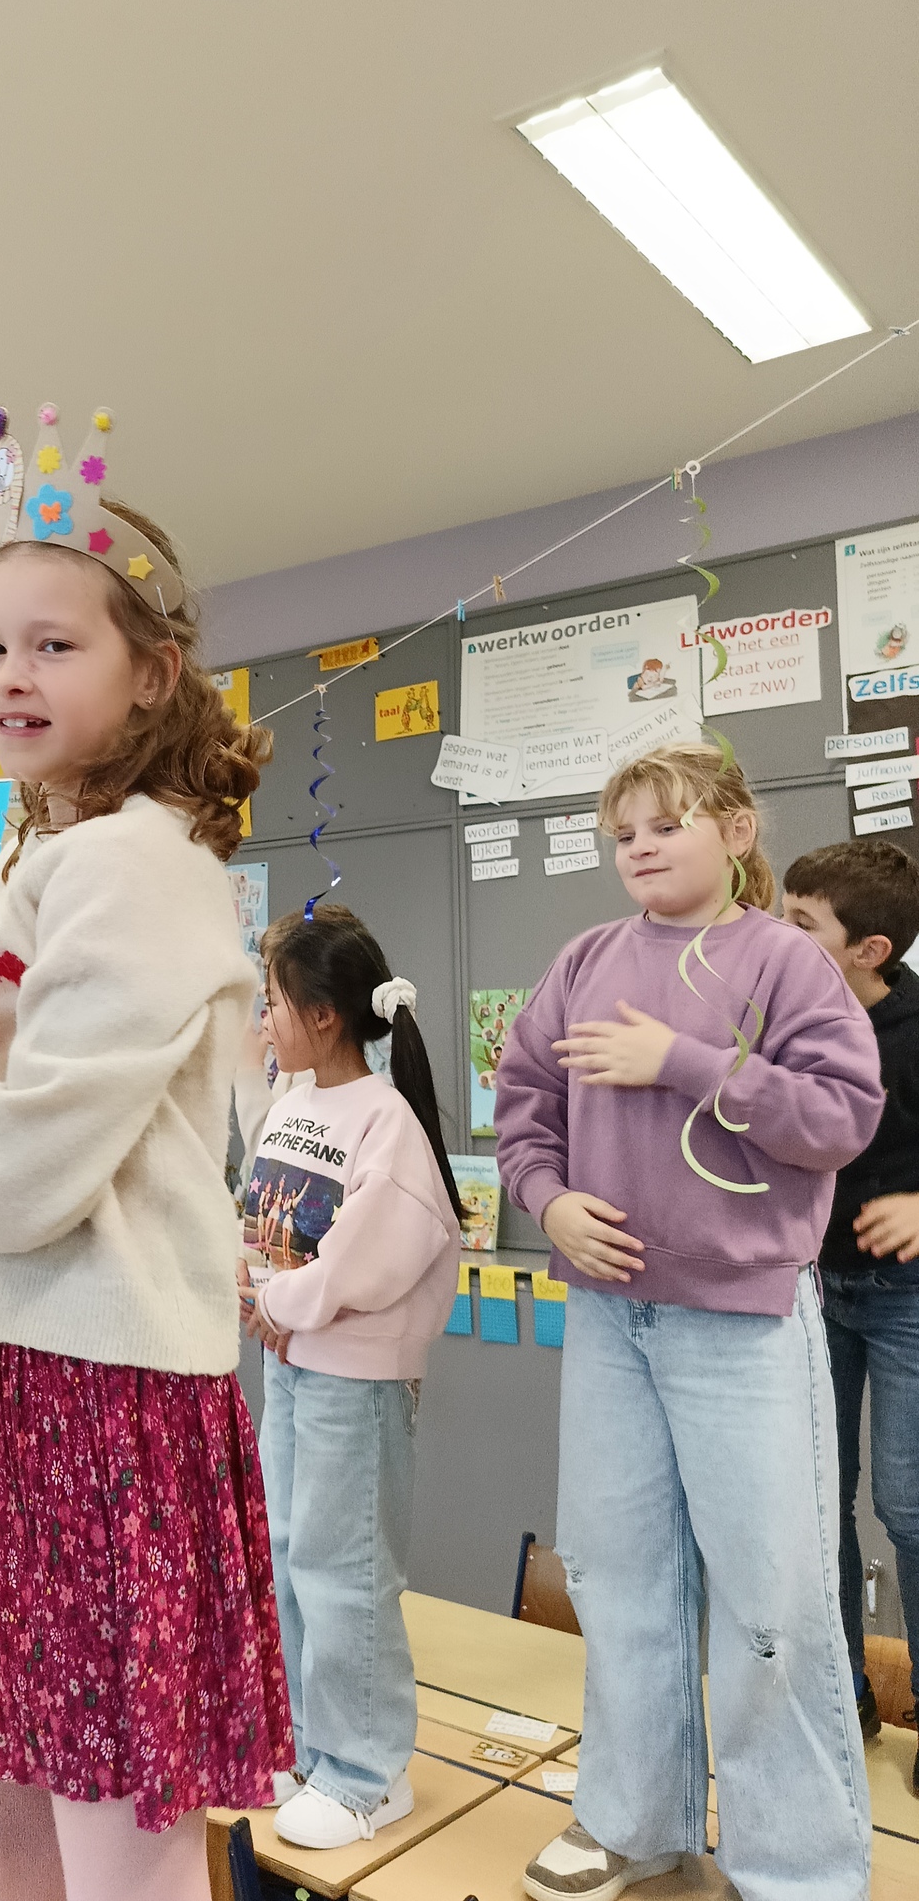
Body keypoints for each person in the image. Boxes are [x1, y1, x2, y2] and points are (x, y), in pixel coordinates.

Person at [0, 401, 291, 1901]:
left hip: (106, 1389)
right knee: (4, 1798)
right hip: (14, 1366)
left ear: (152, 674)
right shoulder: (38, 850)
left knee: (114, 1830)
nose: (9, 675)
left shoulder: (140, 864)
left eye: (54, 644)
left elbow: (16, 1172)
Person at [493, 742, 884, 1901]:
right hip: (611, 1321)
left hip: (743, 1322)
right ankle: (633, 1822)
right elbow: (525, 1102)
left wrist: (684, 1061)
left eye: (667, 824)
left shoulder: (787, 961)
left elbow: (840, 1116)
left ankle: (799, 1864)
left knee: (771, 1602)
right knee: (617, 1575)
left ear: (737, 830)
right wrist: (549, 1200)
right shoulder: (584, 960)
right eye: (624, 833)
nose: (641, 848)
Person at [239, 904, 463, 1851]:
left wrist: (279, 1303)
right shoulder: (293, 1103)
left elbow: (368, 1259)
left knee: (346, 1572)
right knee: (290, 1553)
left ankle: (368, 1774)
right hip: (292, 1366)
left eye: (274, 1001)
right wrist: (258, 1293)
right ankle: (304, 1745)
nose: (263, 1020)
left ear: (324, 1015)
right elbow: (260, 1221)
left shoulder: (385, 1119)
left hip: (353, 1381)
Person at [781, 837, 919, 1775]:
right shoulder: (787, 1022)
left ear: (870, 950)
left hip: (906, 1299)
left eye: (803, 924)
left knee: (908, 1508)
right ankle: (841, 1702)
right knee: (814, 1503)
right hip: (815, 1292)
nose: (779, 936)